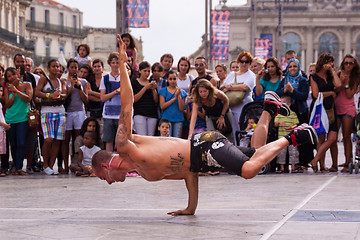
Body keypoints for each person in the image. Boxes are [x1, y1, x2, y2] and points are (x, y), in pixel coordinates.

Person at [92, 34, 318, 216]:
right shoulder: (144, 173)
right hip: (201, 157)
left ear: (105, 167)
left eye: (104, 178)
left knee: (249, 170)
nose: (109, 183)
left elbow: (127, 103)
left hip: (204, 146)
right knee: (258, 153)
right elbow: (189, 172)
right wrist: (190, 209)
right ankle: (269, 108)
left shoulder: (125, 144)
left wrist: (122, 66)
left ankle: (294, 137)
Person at [276, 58, 311, 170]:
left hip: (300, 111)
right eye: (290, 67)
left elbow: (303, 96)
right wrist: (285, 91)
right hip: (286, 112)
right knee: (286, 137)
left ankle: (302, 163)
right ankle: (284, 164)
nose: (292, 69)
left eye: (294, 66)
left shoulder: (303, 80)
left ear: (298, 67)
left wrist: (292, 91)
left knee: (301, 137)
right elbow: (277, 93)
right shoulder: (285, 80)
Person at [309, 53, 341, 173]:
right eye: (328, 62)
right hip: (319, 109)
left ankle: (315, 160)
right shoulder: (313, 77)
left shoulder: (332, 76)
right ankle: (321, 166)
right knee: (321, 138)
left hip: (331, 109)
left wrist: (333, 72)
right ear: (322, 63)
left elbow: (338, 85)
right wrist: (330, 93)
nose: (330, 64)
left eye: (332, 62)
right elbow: (316, 95)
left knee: (332, 137)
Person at [35, 59, 67, 175]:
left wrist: (60, 96)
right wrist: (49, 95)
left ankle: (51, 166)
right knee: (48, 139)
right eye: (53, 66)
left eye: (57, 66)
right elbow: (37, 92)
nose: (56, 68)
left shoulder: (61, 81)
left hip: (60, 111)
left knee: (57, 140)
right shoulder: (44, 79)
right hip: (47, 112)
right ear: (48, 68)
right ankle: (45, 165)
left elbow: (65, 94)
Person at [329, 54, 360, 173]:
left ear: (354, 65)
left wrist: (346, 83)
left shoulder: (356, 77)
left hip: (348, 108)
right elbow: (335, 90)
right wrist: (339, 82)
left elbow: (350, 94)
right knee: (333, 137)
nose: (348, 65)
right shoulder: (338, 74)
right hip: (336, 107)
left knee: (346, 136)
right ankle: (334, 164)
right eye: (346, 63)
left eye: (351, 63)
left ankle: (347, 163)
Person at [221, 51, 256, 144]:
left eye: (246, 61)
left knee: (244, 133)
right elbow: (222, 86)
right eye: (242, 61)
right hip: (231, 108)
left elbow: (246, 87)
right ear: (238, 62)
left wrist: (230, 87)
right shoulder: (232, 74)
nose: (244, 63)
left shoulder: (251, 75)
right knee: (233, 133)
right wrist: (230, 87)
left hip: (244, 109)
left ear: (250, 63)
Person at [4, 67, 33, 175]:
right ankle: (16, 167)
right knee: (14, 144)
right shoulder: (7, 88)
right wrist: (14, 93)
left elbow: (28, 99)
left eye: (13, 75)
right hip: (10, 119)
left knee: (21, 143)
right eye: (9, 76)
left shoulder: (27, 85)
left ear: (17, 74)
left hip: (23, 118)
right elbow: (8, 104)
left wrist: (16, 90)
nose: (12, 77)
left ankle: (19, 167)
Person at [62, 59, 88, 174]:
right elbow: (64, 96)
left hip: (79, 112)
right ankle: (65, 164)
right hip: (68, 112)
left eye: (76, 67)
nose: (74, 69)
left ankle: (77, 162)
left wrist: (80, 87)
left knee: (78, 138)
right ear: (68, 68)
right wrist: (71, 86)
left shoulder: (83, 82)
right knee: (66, 139)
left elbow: (86, 100)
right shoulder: (63, 81)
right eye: (72, 67)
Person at [100, 52, 121, 152]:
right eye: (113, 62)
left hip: (121, 114)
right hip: (108, 114)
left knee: (120, 141)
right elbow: (103, 98)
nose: (115, 65)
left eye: (117, 62)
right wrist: (115, 92)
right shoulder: (105, 78)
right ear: (110, 63)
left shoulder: (124, 78)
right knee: (108, 140)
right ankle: (109, 162)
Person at [274, 95, 300, 173]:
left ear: (288, 104)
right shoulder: (279, 114)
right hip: (282, 137)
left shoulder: (292, 114)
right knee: (281, 152)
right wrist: (279, 122)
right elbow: (275, 124)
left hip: (292, 137)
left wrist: (291, 127)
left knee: (293, 152)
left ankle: (293, 166)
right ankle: (282, 167)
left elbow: (296, 124)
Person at [132, 61, 158, 136]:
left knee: (150, 138)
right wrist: (145, 88)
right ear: (139, 71)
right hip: (139, 113)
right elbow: (134, 99)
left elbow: (156, 101)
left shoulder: (151, 82)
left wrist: (153, 89)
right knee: (142, 137)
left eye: (148, 71)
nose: (147, 73)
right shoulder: (134, 82)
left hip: (152, 114)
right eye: (145, 71)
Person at [159, 70, 187, 138]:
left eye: (174, 79)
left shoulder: (182, 92)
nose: (172, 81)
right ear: (167, 80)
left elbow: (181, 109)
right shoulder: (163, 91)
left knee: (176, 140)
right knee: (166, 140)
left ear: (177, 79)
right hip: (166, 120)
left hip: (178, 119)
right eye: (170, 79)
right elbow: (162, 106)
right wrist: (174, 99)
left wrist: (179, 95)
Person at [0, 85, 10, 177]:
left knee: (1, 151)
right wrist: (4, 125)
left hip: (1, 130)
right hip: (1, 128)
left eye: (1, 90)